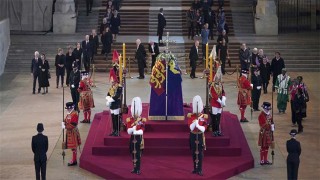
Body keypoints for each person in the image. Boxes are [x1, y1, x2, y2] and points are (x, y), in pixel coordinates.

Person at [187, 95, 208, 176]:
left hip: (200, 136)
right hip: (193, 136)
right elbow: (190, 127)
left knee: (200, 153)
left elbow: (204, 129)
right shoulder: (191, 116)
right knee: (193, 152)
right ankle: (195, 168)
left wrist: (198, 125)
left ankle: (200, 169)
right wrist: (194, 123)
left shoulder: (204, 117)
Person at [126, 97, 146, 175]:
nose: (135, 114)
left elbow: (141, 131)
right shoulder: (129, 120)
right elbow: (128, 131)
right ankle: (134, 168)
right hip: (132, 139)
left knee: (138, 154)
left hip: (138, 139)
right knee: (133, 153)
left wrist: (134, 129)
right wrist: (134, 128)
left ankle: (138, 169)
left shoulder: (142, 120)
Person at [106, 65, 123, 136]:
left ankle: (117, 131)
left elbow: (117, 96)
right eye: (112, 82)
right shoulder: (112, 87)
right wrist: (107, 99)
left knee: (116, 118)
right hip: (112, 105)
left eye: (113, 81)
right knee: (113, 118)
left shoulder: (119, 87)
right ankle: (114, 130)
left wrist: (110, 99)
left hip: (116, 104)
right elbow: (108, 94)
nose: (112, 83)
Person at [209, 66, 226, 137]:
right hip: (215, 103)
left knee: (218, 118)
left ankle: (218, 130)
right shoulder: (212, 86)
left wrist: (224, 99)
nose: (218, 79)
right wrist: (220, 101)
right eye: (217, 78)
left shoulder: (220, 85)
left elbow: (223, 92)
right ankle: (214, 131)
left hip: (220, 103)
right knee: (214, 118)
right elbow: (214, 95)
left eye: (219, 78)